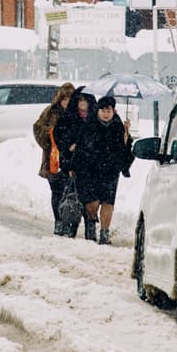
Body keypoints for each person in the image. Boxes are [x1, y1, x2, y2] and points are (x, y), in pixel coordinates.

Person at [69, 95, 134, 244]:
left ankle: (104, 233)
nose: (106, 114)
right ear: (98, 110)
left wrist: (126, 136)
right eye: (103, 110)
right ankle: (91, 224)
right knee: (92, 202)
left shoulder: (118, 126)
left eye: (109, 111)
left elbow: (125, 151)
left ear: (113, 111)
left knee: (107, 202)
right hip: (89, 170)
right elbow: (80, 146)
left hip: (110, 171)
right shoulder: (89, 124)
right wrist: (73, 166)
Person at [32, 82, 78, 234]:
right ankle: (58, 221)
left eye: (70, 99)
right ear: (59, 99)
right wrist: (51, 134)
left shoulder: (77, 114)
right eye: (64, 99)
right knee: (56, 192)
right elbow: (37, 128)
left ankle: (68, 222)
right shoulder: (50, 112)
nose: (67, 102)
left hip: (71, 159)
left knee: (70, 192)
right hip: (53, 159)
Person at [55, 90, 97, 238]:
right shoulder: (68, 117)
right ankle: (70, 227)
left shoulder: (94, 118)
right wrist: (68, 147)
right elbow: (58, 135)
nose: (82, 104)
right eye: (80, 100)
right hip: (71, 162)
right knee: (72, 196)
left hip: (91, 165)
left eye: (85, 100)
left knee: (90, 199)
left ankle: (90, 228)